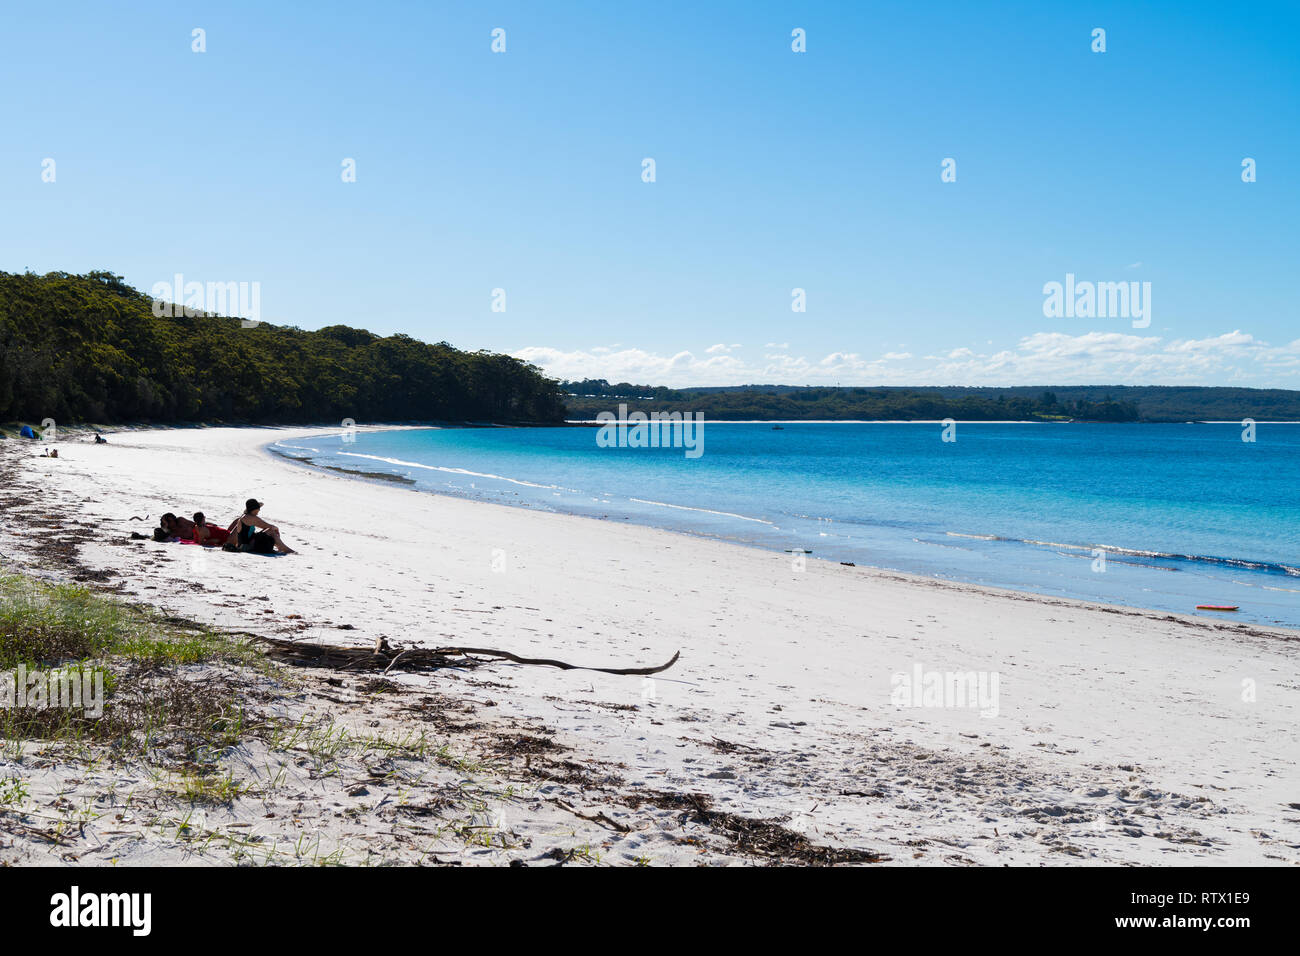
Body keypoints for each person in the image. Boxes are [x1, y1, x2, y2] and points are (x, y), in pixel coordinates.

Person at [231, 499, 296, 554]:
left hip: (244, 545)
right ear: (254, 509)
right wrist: (276, 529)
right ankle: (285, 549)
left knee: (268, 532)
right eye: (258, 508)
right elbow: (269, 526)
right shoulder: (251, 518)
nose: (259, 510)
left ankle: (281, 547)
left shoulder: (243, 517)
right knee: (271, 531)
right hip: (247, 547)